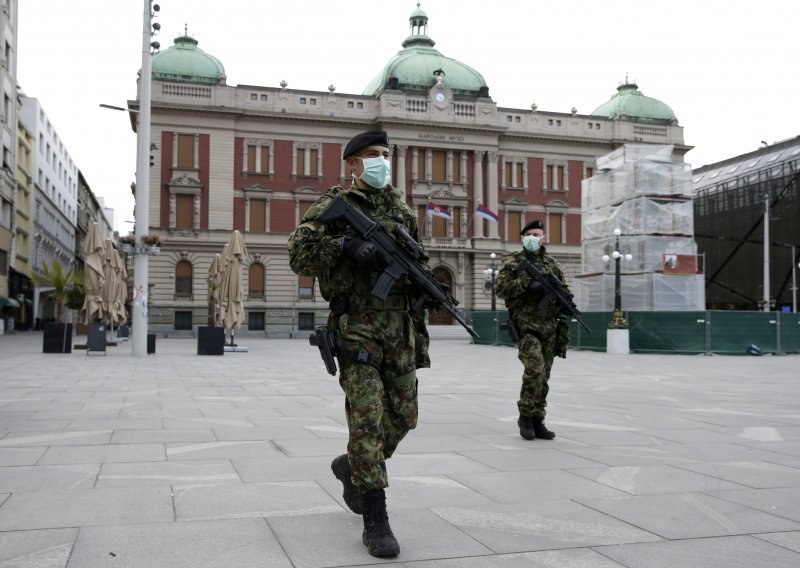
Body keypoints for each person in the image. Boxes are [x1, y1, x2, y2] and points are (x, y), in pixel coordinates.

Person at [287, 130, 430, 558]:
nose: (381, 161)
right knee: (367, 421)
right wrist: (346, 246)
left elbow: (414, 260)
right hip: (358, 328)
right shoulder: (339, 205)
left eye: (385, 155)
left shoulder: (402, 210)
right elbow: (299, 254)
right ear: (352, 164)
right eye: (372, 155)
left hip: (400, 331)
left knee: (404, 417)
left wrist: (420, 292)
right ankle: (376, 519)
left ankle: (352, 466)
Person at [495, 219, 571, 441]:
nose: (533, 238)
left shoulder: (552, 264)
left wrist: (562, 299)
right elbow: (500, 289)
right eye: (529, 235)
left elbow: (564, 289)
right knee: (535, 369)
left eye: (537, 235)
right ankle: (525, 416)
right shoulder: (513, 262)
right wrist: (527, 284)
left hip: (550, 327)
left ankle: (538, 418)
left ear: (544, 237)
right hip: (526, 325)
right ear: (523, 238)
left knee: (544, 376)